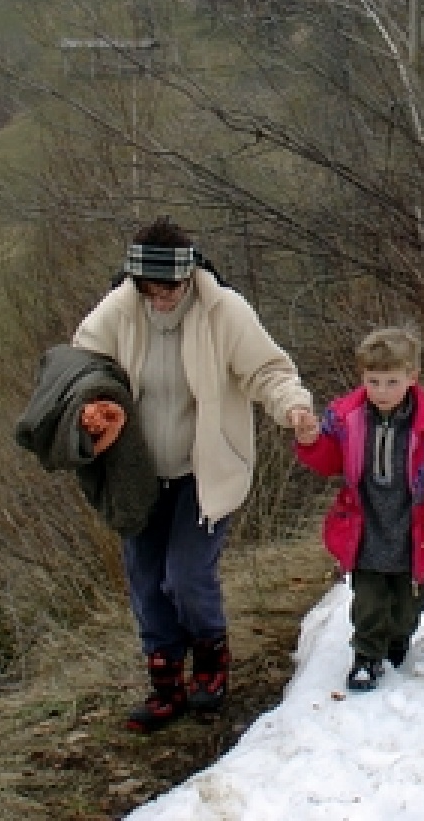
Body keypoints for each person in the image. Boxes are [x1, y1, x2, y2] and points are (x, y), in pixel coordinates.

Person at [72, 217, 319, 733]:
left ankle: (210, 660)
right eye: (150, 291)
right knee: (145, 580)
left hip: (204, 472)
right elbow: (79, 372)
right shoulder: (117, 311)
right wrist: (89, 413)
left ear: (189, 278)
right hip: (137, 474)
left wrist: (293, 409)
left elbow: (267, 371)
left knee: (185, 576)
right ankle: (165, 682)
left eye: (171, 290)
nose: (161, 301)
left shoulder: (223, 311)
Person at [293, 328, 424, 692]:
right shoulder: (346, 418)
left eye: (392, 382)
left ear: (411, 378)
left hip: (412, 526)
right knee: (369, 598)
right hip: (366, 524)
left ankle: (398, 637)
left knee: (409, 601)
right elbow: (330, 461)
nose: (382, 391)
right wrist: (312, 442)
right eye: (374, 381)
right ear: (362, 378)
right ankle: (367, 654)